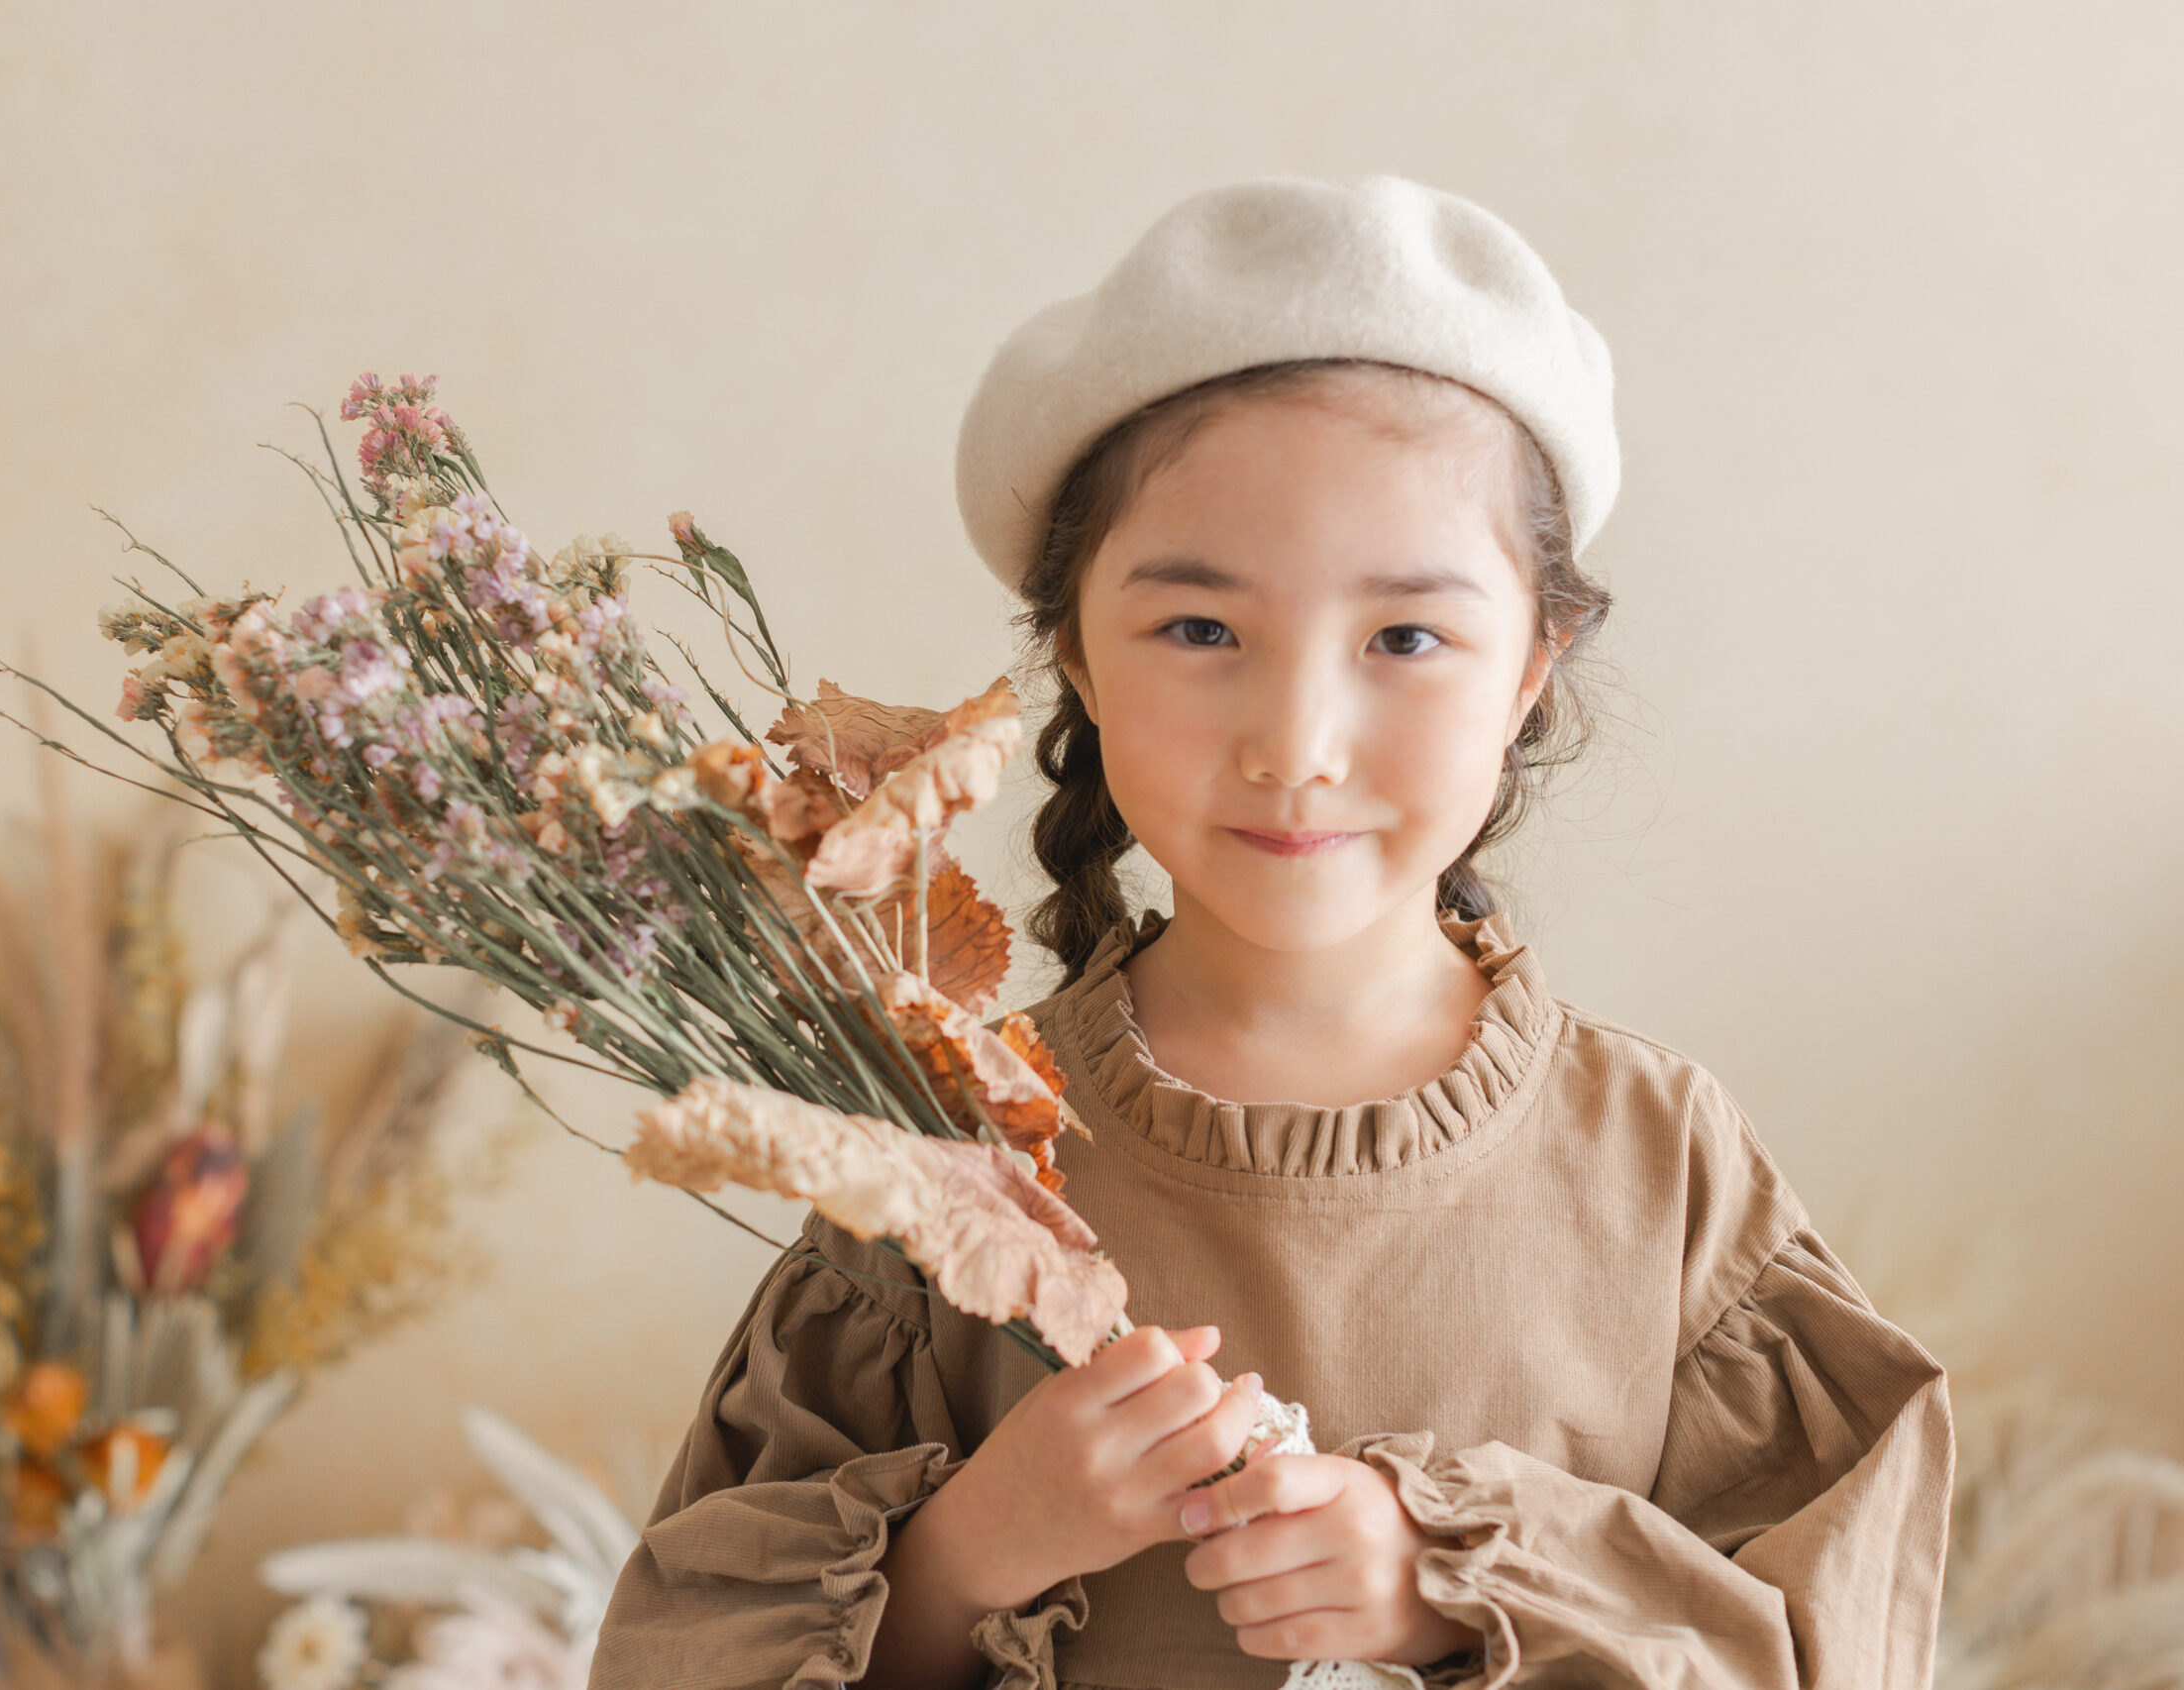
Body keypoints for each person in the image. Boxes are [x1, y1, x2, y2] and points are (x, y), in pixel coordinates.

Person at [587, 177, 1954, 1690]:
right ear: (1077, 657)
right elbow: (679, 1659)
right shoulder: (938, 1160)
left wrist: (1457, 1576)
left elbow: (1829, 1645)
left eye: (1407, 638)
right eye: (1201, 629)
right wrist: (979, 1544)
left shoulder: (1664, 1168)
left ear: (1533, 668)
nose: (1297, 741)